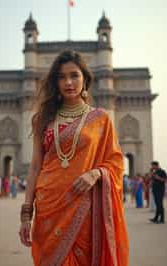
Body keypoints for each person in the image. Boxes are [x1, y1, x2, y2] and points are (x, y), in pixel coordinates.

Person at [19, 50, 129, 265]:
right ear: (55, 82)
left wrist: (97, 173)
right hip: (48, 208)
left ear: (85, 79)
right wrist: (26, 215)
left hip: (85, 207)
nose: (68, 82)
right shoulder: (41, 119)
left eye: (74, 75)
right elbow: (34, 168)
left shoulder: (101, 119)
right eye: (61, 77)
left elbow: (115, 161)